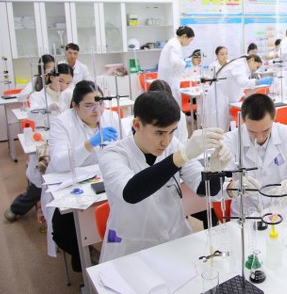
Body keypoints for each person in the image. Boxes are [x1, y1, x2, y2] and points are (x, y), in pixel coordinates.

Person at [99, 91, 231, 262]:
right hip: (132, 249)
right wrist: (181, 156)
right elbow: (130, 193)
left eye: (172, 132)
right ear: (137, 124)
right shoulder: (113, 154)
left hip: (175, 240)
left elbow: (204, 189)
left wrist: (215, 171)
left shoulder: (173, 146)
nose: (166, 141)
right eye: (159, 133)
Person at [44, 81, 120, 271]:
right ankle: (84, 256)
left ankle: (117, 250)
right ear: (75, 106)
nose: (97, 110)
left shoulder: (111, 117)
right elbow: (60, 163)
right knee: (63, 232)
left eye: (100, 103)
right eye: (89, 105)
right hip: (70, 182)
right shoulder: (62, 123)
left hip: (104, 179)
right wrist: (90, 143)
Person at [222, 94, 287, 215]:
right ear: (243, 120)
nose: (259, 137)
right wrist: (233, 188)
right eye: (252, 131)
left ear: (274, 117)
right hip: (246, 215)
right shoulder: (231, 140)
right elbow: (213, 190)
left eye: (265, 130)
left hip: (281, 211)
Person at [4, 64, 74, 223]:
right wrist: (47, 109)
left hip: (64, 138)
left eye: (68, 82)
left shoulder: (70, 94)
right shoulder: (38, 96)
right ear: (52, 77)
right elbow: (31, 115)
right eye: (61, 81)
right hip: (44, 138)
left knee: (65, 176)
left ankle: (64, 215)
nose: (64, 86)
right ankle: (17, 208)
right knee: (41, 179)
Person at [202, 55, 262, 131]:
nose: (256, 70)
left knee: (222, 127)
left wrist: (242, 95)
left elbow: (234, 83)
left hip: (221, 96)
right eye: (257, 67)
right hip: (218, 97)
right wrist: (259, 82)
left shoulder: (242, 65)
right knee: (217, 127)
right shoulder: (240, 65)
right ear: (252, 60)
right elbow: (243, 82)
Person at [157, 25, 195, 106]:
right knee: (173, 104)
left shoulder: (173, 43)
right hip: (170, 81)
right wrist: (185, 63)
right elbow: (175, 61)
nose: (189, 44)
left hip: (168, 80)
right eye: (190, 40)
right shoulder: (175, 45)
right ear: (184, 36)